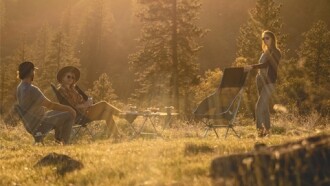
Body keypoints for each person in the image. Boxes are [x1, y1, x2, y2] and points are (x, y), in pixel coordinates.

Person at [16, 61, 76, 144]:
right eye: (34, 71)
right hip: (40, 124)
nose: (34, 73)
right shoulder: (32, 89)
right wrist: (69, 108)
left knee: (60, 112)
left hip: (30, 124)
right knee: (69, 114)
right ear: (31, 72)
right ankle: (65, 144)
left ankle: (58, 141)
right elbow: (50, 105)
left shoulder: (20, 87)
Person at [56, 66, 122, 138]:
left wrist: (88, 101)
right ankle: (123, 115)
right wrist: (85, 105)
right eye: (68, 77)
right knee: (103, 104)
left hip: (87, 111)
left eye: (72, 77)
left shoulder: (73, 90)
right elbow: (72, 106)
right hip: (80, 115)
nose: (71, 79)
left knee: (107, 114)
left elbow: (81, 101)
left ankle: (117, 136)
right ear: (62, 78)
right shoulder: (62, 91)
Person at [244, 30, 282, 137]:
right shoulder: (264, 52)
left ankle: (260, 132)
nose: (265, 40)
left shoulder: (276, 52)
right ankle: (267, 132)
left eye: (267, 38)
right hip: (260, 81)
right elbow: (262, 66)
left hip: (269, 82)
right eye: (263, 38)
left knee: (259, 106)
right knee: (264, 107)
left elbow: (266, 65)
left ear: (272, 39)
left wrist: (252, 66)